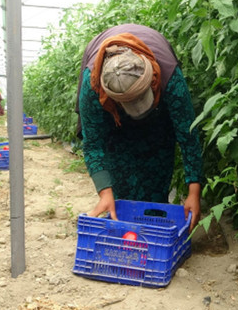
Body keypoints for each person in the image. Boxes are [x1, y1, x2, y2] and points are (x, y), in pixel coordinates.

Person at [75, 24, 204, 230]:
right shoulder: (93, 87)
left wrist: (194, 192)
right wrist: (105, 192)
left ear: (152, 78)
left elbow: (187, 134)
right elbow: (94, 144)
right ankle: (123, 217)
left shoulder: (169, 77)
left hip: (157, 116)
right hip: (114, 118)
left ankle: (153, 219)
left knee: (158, 158)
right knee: (117, 163)